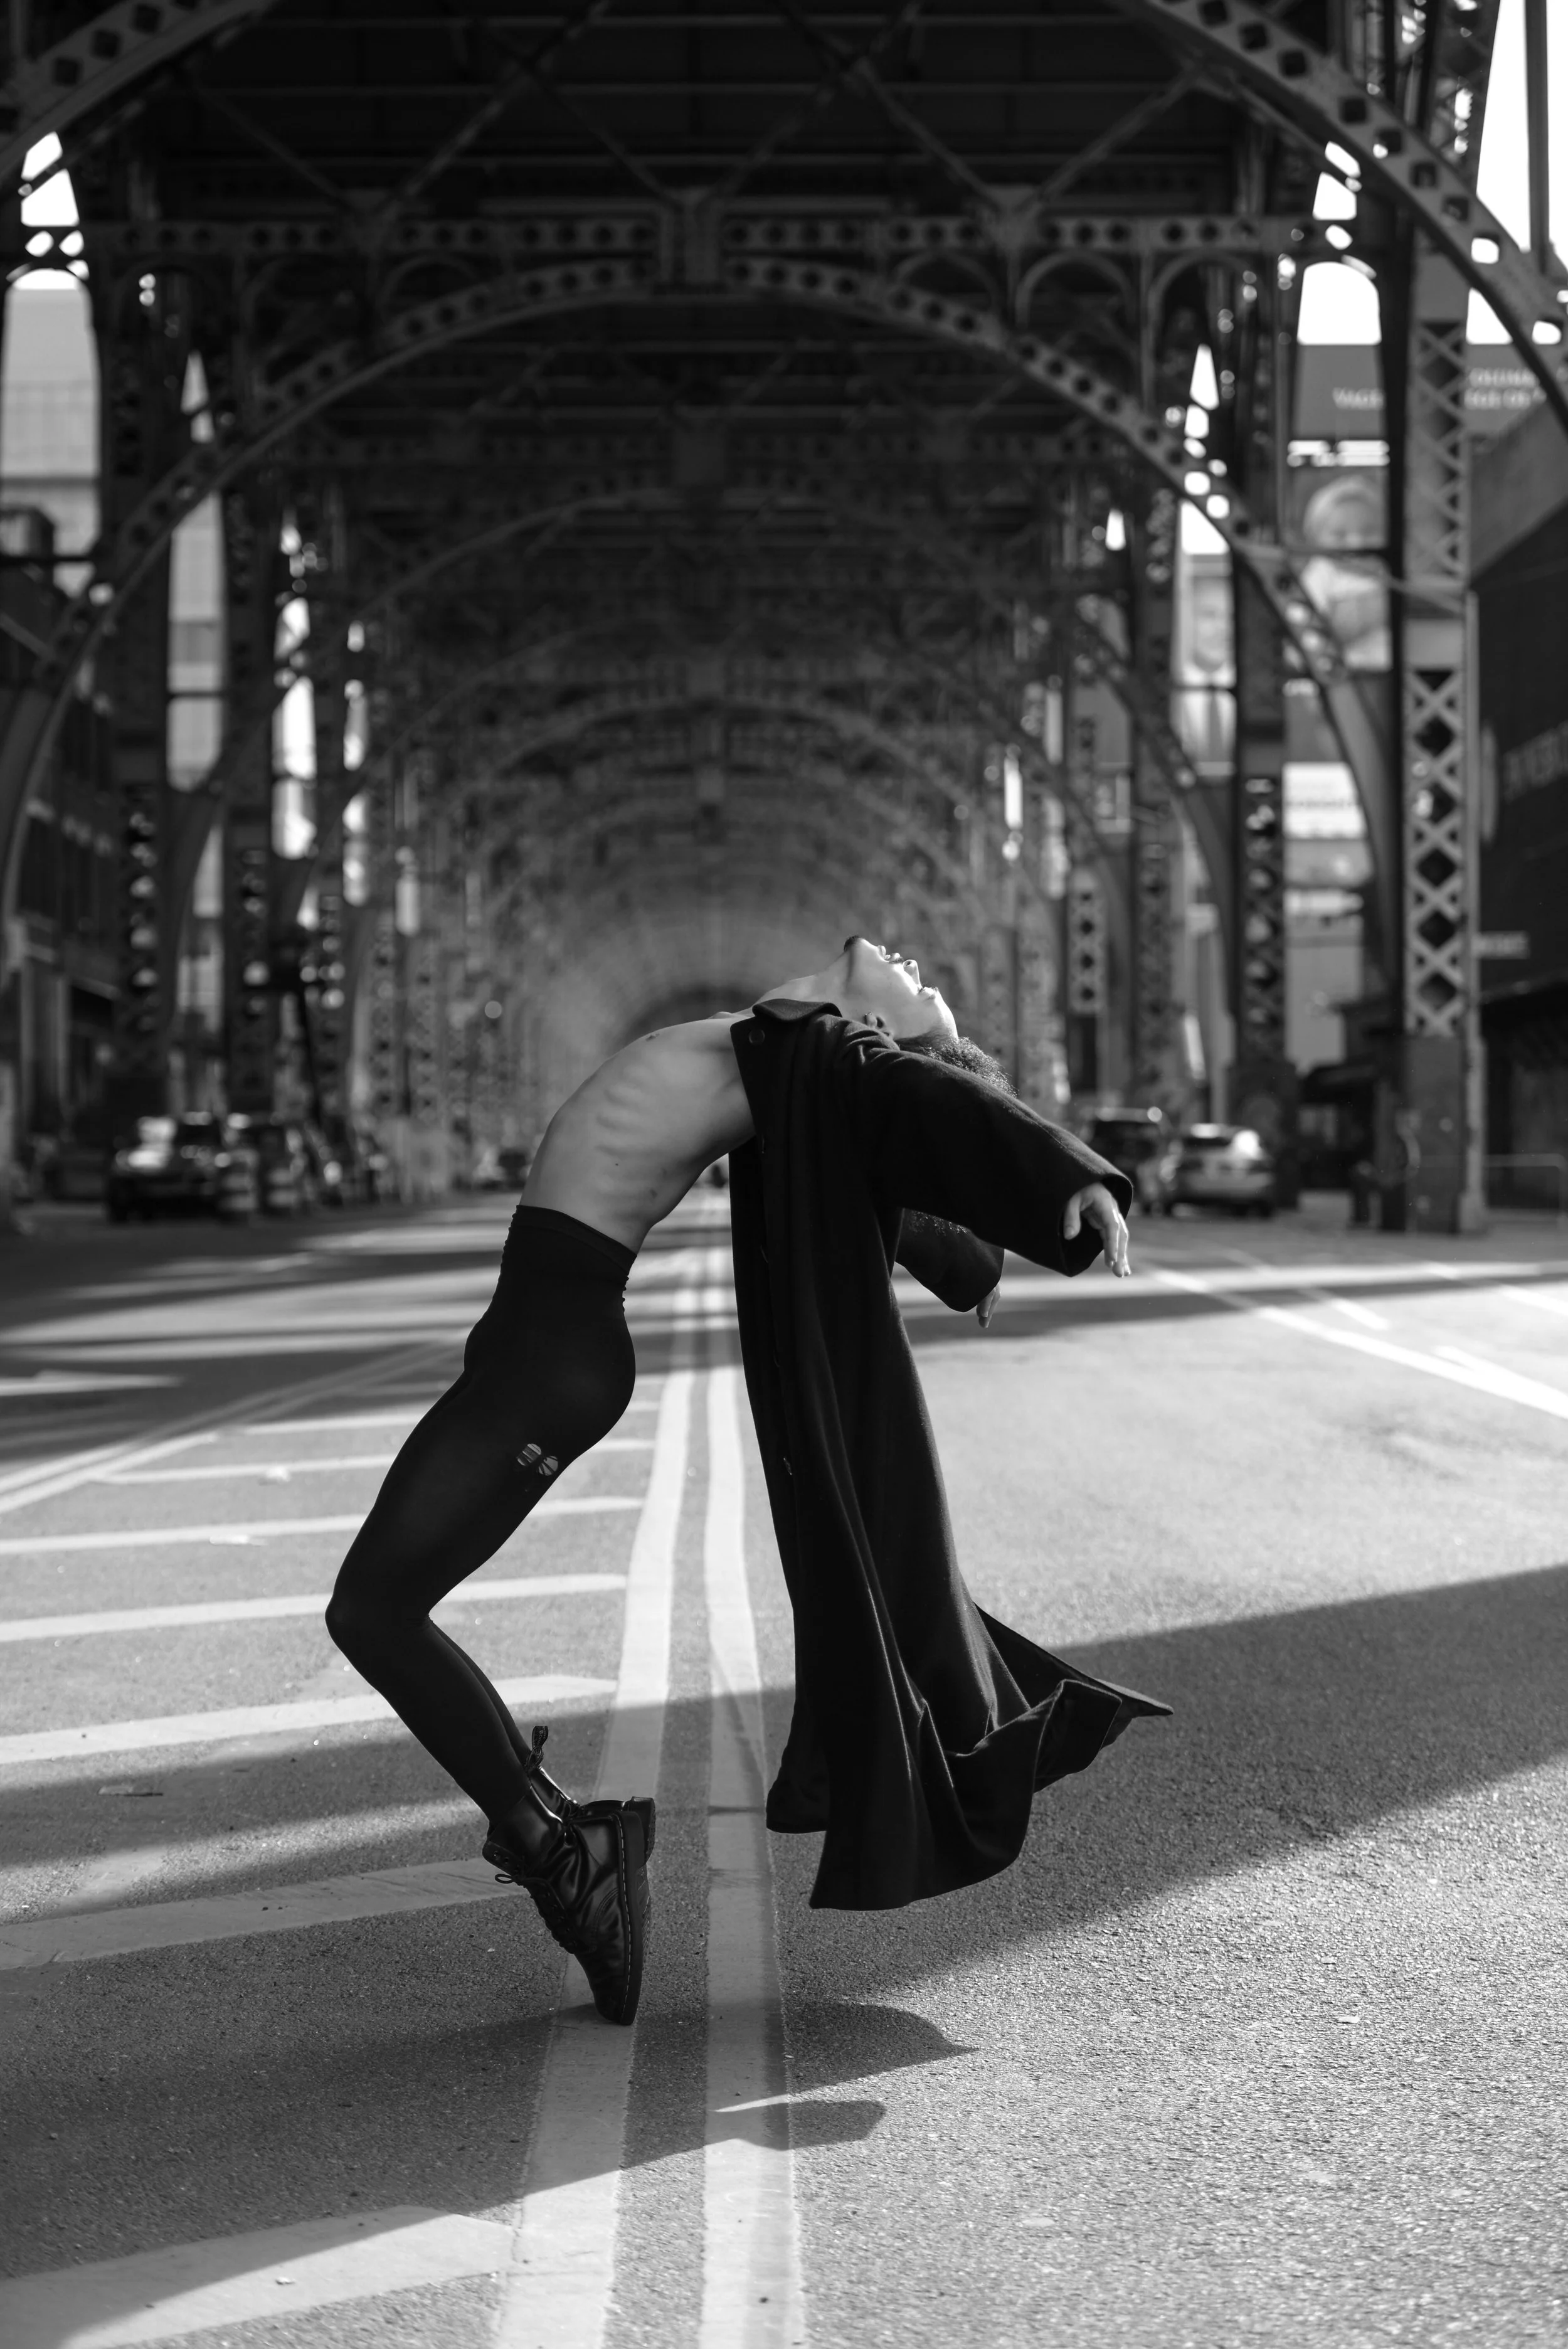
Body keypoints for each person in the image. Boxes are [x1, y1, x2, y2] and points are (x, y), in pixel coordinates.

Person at [327, 937, 1163, 2025]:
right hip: (534, 1345)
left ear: (894, 1032)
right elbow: (865, 1164)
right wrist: (962, 1262)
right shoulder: (779, 1067)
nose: (911, 960)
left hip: (555, 1357)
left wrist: (1068, 1180)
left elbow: (914, 1104)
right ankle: (557, 1837)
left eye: (927, 992)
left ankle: (558, 1846)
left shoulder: (822, 1051)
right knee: (379, 1607)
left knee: (372, 1610)